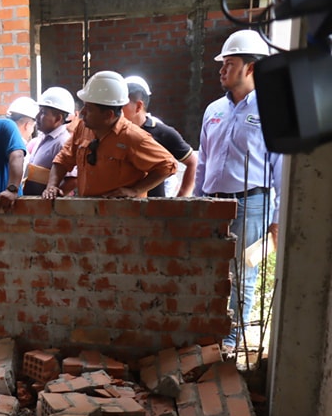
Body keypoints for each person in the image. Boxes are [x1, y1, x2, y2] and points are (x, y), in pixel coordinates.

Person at [194, 29, 283, 354]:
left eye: (229, 63)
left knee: (241, 272)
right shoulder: (213, 110)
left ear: (251, 68)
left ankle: (231, 341)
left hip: (252, 203)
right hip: (212, 204)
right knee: (209, 268)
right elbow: (203, 160)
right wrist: (196, 202)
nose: (221, 70)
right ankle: (207, 333)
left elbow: (280, 167)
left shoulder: (272, 109)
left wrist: (277, 218)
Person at [42, 71, 176, 199]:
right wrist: (52, 186)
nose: (82, 113)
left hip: (121, 217)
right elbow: (63, 159)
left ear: (108, 115)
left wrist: (135, 191)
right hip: (88, 214)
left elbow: (167, 165)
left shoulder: (132, 137)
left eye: (89, 109)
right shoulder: (83, 128)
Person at [122, 76, 197, 197]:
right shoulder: (116, 132)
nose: (117, 110)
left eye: (122, 105)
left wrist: (182, 197)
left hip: (153, 209)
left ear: (139, 106)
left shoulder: (161, 133)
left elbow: (193, 162)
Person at [22, 87, 77, 196]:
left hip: (46, 208)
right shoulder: (43, 137)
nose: (37, 116)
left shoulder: (63, 142)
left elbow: (73, 180)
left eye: (43, 113)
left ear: (58, 119)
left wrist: (53, 200)